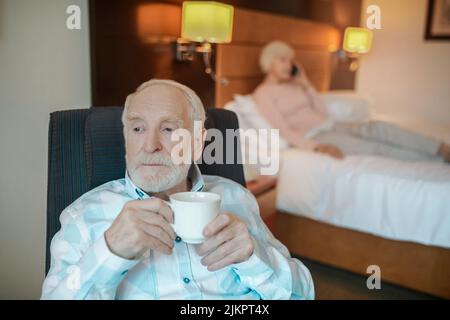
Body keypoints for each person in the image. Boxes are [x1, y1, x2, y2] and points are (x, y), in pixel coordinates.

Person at [41, 79, 314, 300]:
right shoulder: (83, 215)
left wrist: (254, 256)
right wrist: (110, 252)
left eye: (169, 129)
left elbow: (302, 293)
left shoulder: (236, 197)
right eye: (137, 128)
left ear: (198, 142)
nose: (150, 145)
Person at [253, 41, 450, 162]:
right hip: (317, 136)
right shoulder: (263, 93)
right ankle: (435, 160)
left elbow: (321, 109)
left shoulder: (295, 84)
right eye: (283, 60)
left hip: (330, 124)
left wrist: (306, 85)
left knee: (379, 128)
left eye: (290, 60)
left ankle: (440, 148)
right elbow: (281, 129)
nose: (289, 65)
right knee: (375, 147)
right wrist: (316, 147)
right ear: (269, 62)